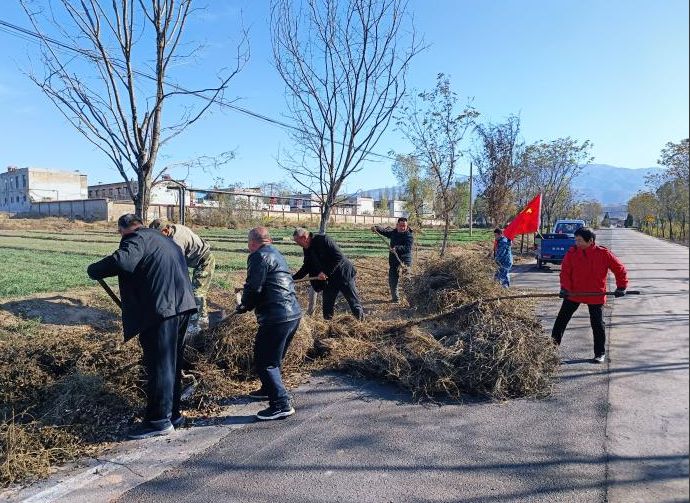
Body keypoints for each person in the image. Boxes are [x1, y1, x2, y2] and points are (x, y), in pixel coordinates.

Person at [87, 214, 197, 439]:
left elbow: (122, 261)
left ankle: (158, 421)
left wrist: (94, 269)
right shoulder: (164, 239)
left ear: (124, 229)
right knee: (172, 363)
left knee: (159, 365)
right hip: (183, 305)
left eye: (120, 233)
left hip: (162, 309)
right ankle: (173, 414)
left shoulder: (136, 238)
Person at [235, 227, 302, 420]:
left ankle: (281, 404)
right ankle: (268, 389)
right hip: (292, 314)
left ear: (252, 242)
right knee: (274, 358)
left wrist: (245, 305)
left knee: (265, 361)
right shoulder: (276, 253)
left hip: (276, 316)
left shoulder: (258, 256)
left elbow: (253, 287)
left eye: (248, 243)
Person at [551, 227, 628, 363]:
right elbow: (565, 272)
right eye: (576, 240)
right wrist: (564, 288)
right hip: (574, 292)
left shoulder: (603, 254)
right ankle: (550, 351)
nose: (577, 243)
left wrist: (621, 286)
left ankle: (600, 353)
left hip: (596, 293)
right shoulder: (572, 253)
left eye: (579, 240)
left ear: (590, 240)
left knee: (597, 324)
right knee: (561, 321)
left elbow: (619, 269)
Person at [149, 219, 215, 333]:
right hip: (196, 261)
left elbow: (178, 266)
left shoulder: (177, 241)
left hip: (205, 261)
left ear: (165, 231)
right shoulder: (173, 229)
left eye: (158, 236)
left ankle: (195, 325)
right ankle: (203, 318)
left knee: (197, 293)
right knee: (194, 291)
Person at [292, 227, 364, 320]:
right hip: (330, 279)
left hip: (344, 275)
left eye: (298, 242)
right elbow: (307, 266)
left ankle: (360, 322)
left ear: (304, 238)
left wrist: (325, 272)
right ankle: (328, 324)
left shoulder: (324, 240)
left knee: (353, 302)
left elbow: (338, 257)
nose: (298, 245)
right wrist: (293, 279)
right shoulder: (307, 248)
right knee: (327, 305)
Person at [371, 218, 414, 302]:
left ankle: (410, 299)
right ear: (397, 225)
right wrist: (376, 228)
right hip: (394, 260)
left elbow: (407, 248)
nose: (403, 228)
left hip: (405, 261)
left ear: (407, 226)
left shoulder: (409, 235)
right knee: (392, 279)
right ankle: (395, 298)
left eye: (404, 226)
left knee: (406, 279)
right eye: (401, 225)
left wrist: (397, 248)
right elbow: (384, 232)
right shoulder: (393, 233)